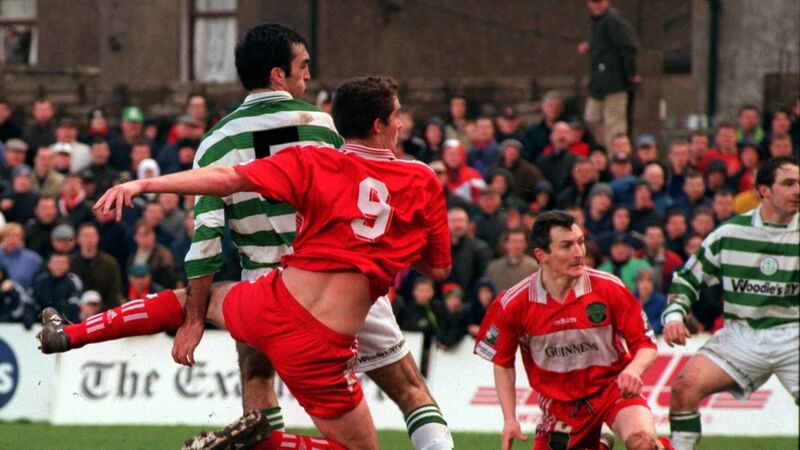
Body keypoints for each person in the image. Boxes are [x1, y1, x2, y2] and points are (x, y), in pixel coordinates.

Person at [39, 76, 453, 450]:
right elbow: (438, 271)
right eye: (397, 116)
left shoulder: (313, 160)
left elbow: (225, 179)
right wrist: (389, 245)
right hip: (322, 344)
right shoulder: (421, 180)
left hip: (270, 302)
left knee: (193, 301)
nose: (402, 124)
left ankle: (70, 335)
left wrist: (144, 183)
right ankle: (266, 445)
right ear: (379, 124)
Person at [179, 23, 453, 450]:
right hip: (342, 279)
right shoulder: (323, 126)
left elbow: (207, 242)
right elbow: (365, 195)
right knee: (409, 390)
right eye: (302, 66)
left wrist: (195, 318)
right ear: (278, 75)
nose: (307, 76)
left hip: (262, 288)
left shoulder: (215, 142)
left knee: (256, 381)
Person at [474, 210, 664, 450]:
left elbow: (646, 344)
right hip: (560, 406)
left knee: (644, 444)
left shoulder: (609, 287)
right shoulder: (513, 303)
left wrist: (634, 370)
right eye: (567, 246)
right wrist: (510, 418)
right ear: (541, 255)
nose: (579, 253)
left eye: (580, 242)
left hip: (612, 389)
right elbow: (502, 362)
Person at [662, 156, 799, 450]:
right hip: (741, 336)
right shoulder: (730, 234)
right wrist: (674, 316)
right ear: (764, 190)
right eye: (789, 183)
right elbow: (687, 279)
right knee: (684, 389)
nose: (798, 190)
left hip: (794, 336)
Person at [578, 0, 641, 150]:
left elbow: (629, 47)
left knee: (615, 126)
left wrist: (631, 73)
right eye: (594, 2)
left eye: (600, 2)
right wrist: (590, 47)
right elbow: (605, 48)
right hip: (598, 85)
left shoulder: (613, 20)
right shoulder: (597, 22)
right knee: (591, 119)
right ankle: (605, 151)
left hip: (615, 83)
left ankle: (617, 158)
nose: (597, 5)